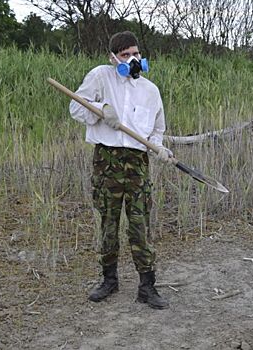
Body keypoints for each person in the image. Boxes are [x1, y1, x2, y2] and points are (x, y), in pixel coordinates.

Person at [69, 31, 175, 309]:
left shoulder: (151, 90)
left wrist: (159, 148)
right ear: (113, 57)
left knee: (140, 224)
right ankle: (109, 280)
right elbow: (75, 108)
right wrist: (101, 109)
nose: (132, 59)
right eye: (126, 55)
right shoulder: (101, 76)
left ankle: (147, 286)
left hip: (138, 163)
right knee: (109, 223)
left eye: (135, 53)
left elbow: (157, 129)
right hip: (107, 161)